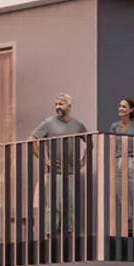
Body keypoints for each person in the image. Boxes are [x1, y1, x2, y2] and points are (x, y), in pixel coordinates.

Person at [31, 92, 88, 237]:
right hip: (54, 172)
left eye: (61, 104)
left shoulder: (78, 125)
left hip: (71, 172)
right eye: (56, 104)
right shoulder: (48, 123)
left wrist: (83, 160)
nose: (58, 107)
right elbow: (32, 140)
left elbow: (90, 142)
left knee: (71, 206)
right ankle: (49, 237)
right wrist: (45, 160)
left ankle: (70, 236)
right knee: (52, 206)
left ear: (69, 106)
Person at [109, 98, 134, 236]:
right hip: (119, 162)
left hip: (131, 161)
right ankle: (129, 230)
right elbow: (112, 146)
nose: (121, 109)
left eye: (124, 106)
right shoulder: (115, 126)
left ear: (131, 110)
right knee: (122, 198)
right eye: (120, 106)